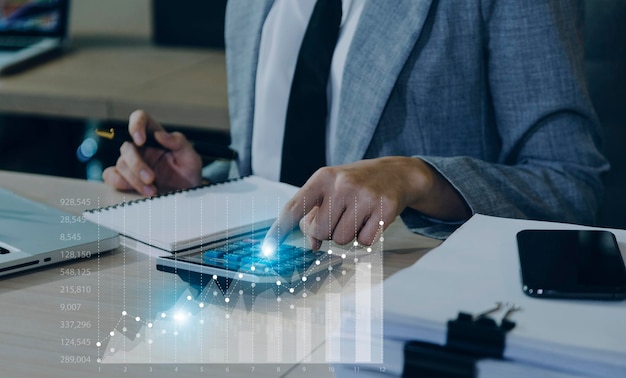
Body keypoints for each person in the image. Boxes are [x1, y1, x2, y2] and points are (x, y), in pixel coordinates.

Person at [103, 0, 608, 249]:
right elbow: (295, 166)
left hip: (407, 302)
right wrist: (203, 185)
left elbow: (572, 187)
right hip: (262, 289)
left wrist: (417, 178)